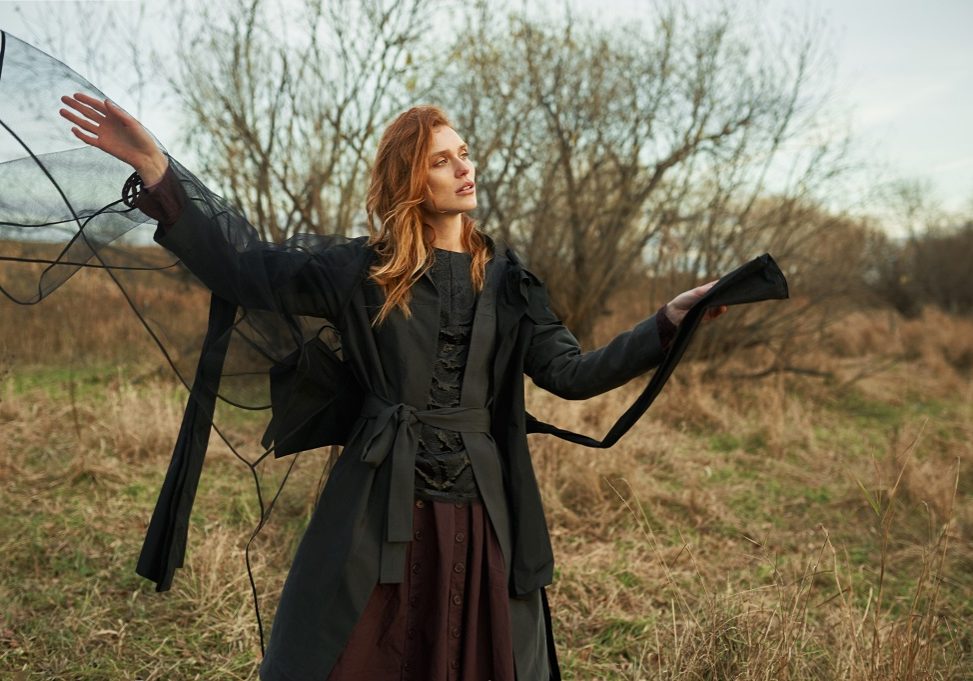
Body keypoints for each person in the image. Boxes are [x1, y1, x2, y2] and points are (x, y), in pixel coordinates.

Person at [57, 92, 728, 680]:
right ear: (410, 179)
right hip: (377, 507)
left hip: (480, 515)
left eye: (463, 153)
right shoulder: (361, 271)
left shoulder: (510, 282)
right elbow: (240, 266)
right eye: (442, 159)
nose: (465, 167)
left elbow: (573, 374)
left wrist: (667, 320)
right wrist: (157, 169)